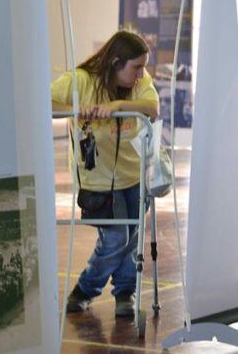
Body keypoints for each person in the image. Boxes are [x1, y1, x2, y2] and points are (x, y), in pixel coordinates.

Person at [51, 31, 159, 317]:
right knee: (116, 240)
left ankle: (125, 294)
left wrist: (118, 106)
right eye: (136, 67)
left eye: (143, 66)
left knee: (132, 238)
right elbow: (45, 103)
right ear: (115, 62)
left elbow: (153, 107)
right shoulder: (80, 80)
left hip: (134, 177)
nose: (141, 74)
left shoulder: (140, 82)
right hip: (98, 182)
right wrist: (77, 110)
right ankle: (85, 290)